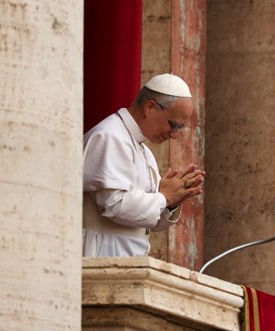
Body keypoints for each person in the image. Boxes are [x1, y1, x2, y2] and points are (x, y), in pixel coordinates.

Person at [82, 73, 205, 257]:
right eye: (173, 125)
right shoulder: (110, 137)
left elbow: (146, 222)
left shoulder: (145, 152)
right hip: (101, 253)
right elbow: (114, 205)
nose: (174, 135)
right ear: (150, 107)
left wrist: (171, 203)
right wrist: (164, 197)